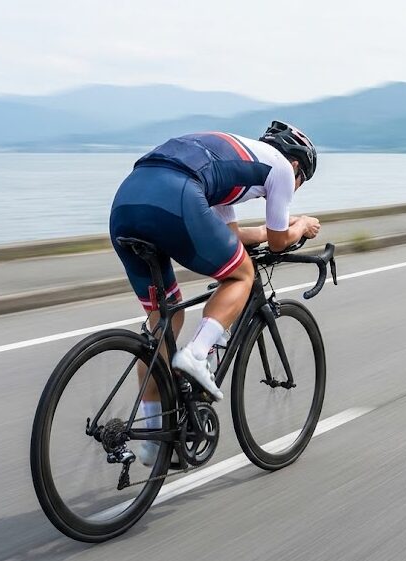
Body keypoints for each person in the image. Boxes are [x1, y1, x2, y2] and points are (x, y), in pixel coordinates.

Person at [109, 121, 319, 464]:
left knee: (167, 318)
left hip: (127, 201)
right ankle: (197, 354)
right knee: (241, 276)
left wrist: (281, 226)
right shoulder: (281, 167)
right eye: (302, 181)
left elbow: (231, 237)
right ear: (297, 166)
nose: (296, 187)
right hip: (177, 193)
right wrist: (301, 224)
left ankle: (151, 437)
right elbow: (279, 240)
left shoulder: (229, 175)